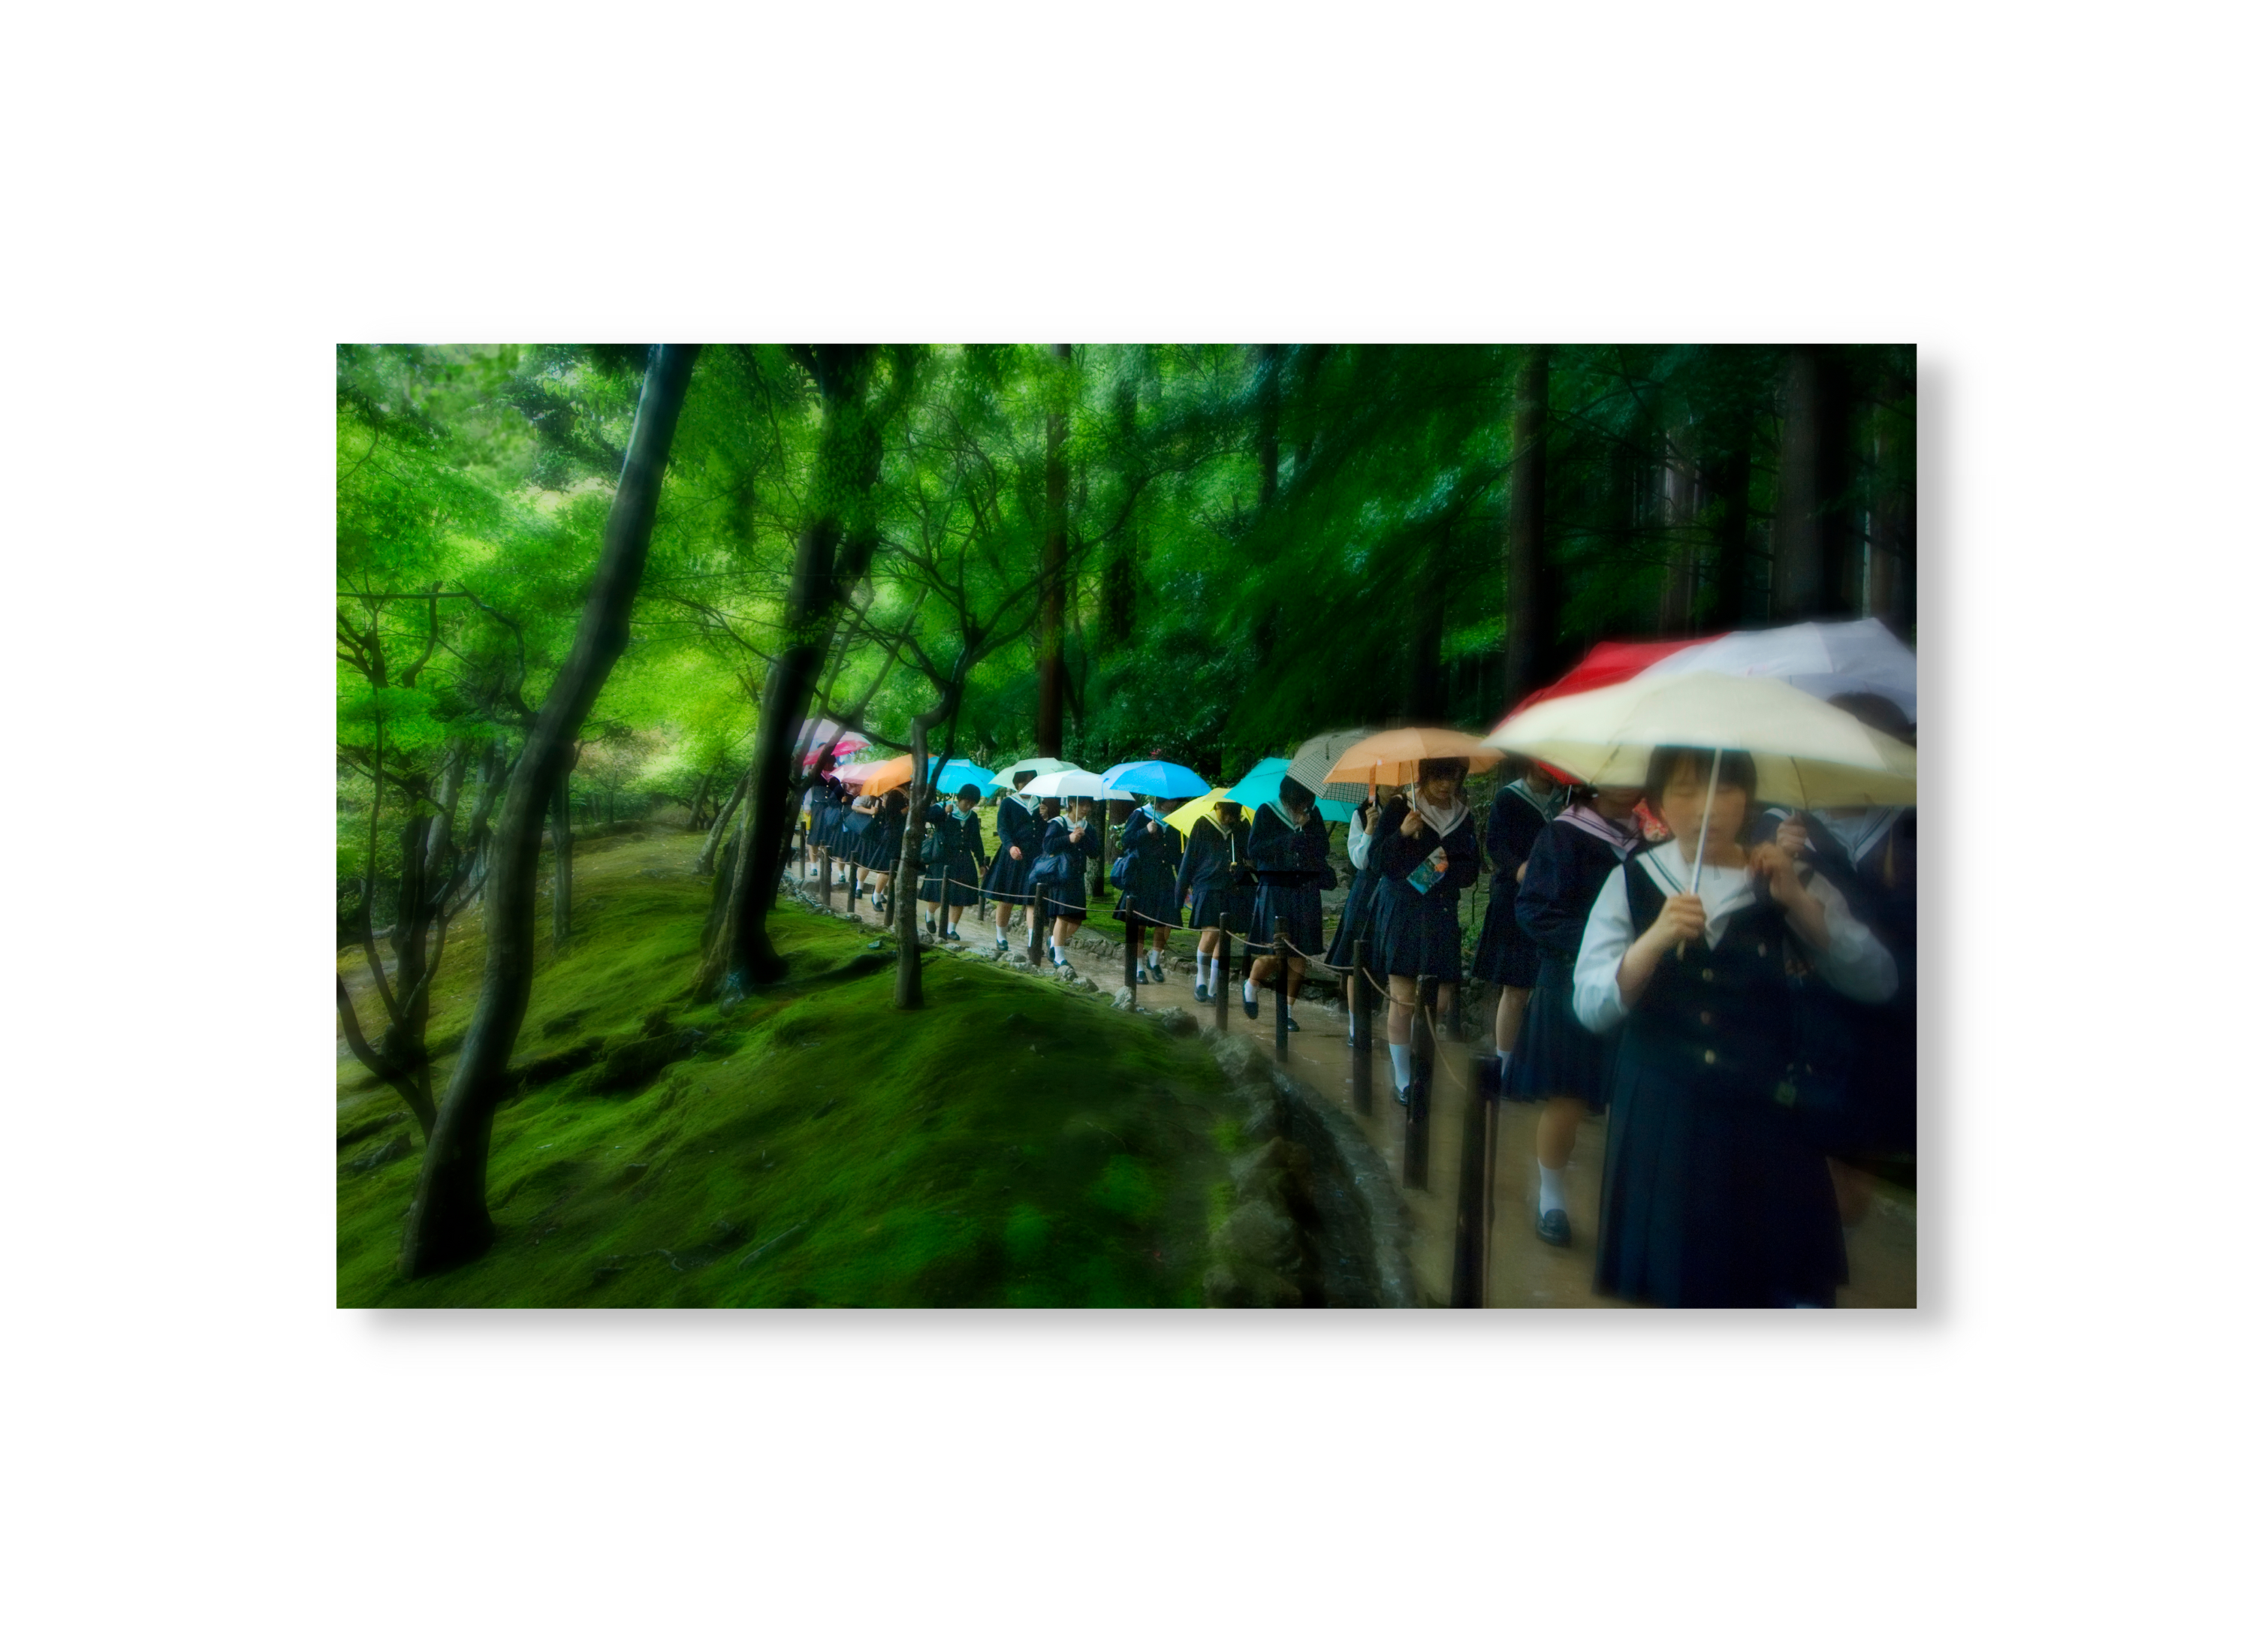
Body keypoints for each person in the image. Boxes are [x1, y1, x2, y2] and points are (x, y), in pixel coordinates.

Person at [1577, 747, 1898, 1310]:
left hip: (1764, 1114)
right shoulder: (1631, 881)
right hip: (1664, 1113)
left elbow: (1875, 977)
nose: (1706, 808)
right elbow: (1591, 1003)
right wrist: (1652, 940)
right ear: (1657, 802)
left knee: (1764, 1278)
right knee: (1678, 1281)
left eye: (1724, 789)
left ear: (1748, 797)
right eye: (1685, 790)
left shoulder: (1789, 878)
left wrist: (1798, 902)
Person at [1751, 692, 1917, 1227]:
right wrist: (1784, 862)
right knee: (1791, 1158)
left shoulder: (1911, 824)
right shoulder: (1781, 825)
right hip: (1801, 1020)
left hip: (1882, 1025)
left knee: (1854, 1165)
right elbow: (1754, 918)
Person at [1505, 780, 1645, 1247]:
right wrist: (1603, 945)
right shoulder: (1562, 836)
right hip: (1570, 981)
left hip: (1638, 989)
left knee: (1632, 1103)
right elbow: (1534, 911)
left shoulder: (1653, 844)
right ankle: (1552, 1199)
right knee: (1568, 1094)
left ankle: (1632, 1210)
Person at [1370, 758, 1484, 1109]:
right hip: (1404, 910)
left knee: (1441, 1000)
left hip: (1441, 912)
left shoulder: (1463, 816)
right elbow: (1378, 862)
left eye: (1453, 777)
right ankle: (1403, 1076)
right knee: (1404, 999)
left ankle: (1420, 1061)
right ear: (1426, 775)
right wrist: (1403, 833)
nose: (1446, 785)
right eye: (1439, 777)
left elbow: (1470, 870)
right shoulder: (1400, 807)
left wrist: (1434, 867)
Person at [1468, 759, 1565, 1088]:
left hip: (1555, 903)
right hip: (1514, 899)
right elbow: (1495, 844)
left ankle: (1541, 1068)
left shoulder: (1566, 801)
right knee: (1516, 986)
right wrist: (1518, 869)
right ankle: (1505, 1064)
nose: (1548, 768)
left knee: (1550, 987)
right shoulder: (1509, 798)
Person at [1242, 775, 1337, 1031]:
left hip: (1305, 890)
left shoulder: (1312, 815)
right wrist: (1288, 839)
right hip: (1275, 889)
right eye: (1298, 804)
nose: (1301, 809)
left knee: (1299, 955)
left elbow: (1323, 850)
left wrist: (1306, 831)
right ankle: (1252, 984)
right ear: (1286, 797)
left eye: (1306, 803)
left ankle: (1287, 1011)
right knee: (1275, 952)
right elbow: (1254, 849)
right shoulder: (1267, 811)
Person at [1325, 783, 1404, 1048]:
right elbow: (1359, 860)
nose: (1396, 788)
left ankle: (1374, 1022)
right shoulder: (1362, 815)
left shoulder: (1408, 811)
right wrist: (1370, 829)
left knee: (1383, 960)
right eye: (1390, 784)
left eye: (1400, 783)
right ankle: (1354, 1027)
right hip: (1366, 890)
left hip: (1393, 891)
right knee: (1355, 960)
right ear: (1377, 786)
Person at [1176, 800, 1251, 1003]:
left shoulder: (1243, 826)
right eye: (1225, 813)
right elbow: (1189, 859)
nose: (1228, 818)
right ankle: (1201, 979)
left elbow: (1251, 854)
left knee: (1225, 939)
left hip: (1233, 887)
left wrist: (1244, 865)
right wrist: (1179, 893)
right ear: (1217, 808)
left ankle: (1213, 988)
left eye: (1232, 814)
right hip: (1207, 886)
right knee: (1211, 933)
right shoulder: (1203, 824)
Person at [1112, 796, 1187, 983]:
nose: (1176, 804)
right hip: (1141, 876)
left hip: (1164, 877)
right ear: (1162, 799)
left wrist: (1184, 882)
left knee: (1166, 921)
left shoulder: (1176, 819)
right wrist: (1145, 831)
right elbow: (1126, 840)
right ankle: (1137, 967)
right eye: (1174, 800)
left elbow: (1178, 854)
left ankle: (1155, 960)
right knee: (1139, 923)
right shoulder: (1140, 814)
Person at [982, 769, 1045, 960]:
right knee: (1007, 898)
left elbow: (1042, 832)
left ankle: (1032, 941)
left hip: (1033, 858)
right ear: (1017, 783)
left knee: (1032, 899)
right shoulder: (1009, 803)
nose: (1028, 785)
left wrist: (1044, 818)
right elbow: (1002, 828)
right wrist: (1010, 847)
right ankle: (1001, 937)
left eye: (1032, 782)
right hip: (1012, 856)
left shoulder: (1039, 804)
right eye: (1025, 782)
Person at [916, 783, 988, 942]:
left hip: (963, 860)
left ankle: (952, 929)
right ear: (960, 798)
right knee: (938, 894)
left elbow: (976, 840)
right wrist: (943, 812)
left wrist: (981, 862)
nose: (968, 805)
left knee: (960, 896)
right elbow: (923, 816)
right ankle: (930, 914)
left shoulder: (973, 817)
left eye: (972, 803)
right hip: (943, 858)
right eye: (966, 802)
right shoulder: (944, 808)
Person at [1030, 796, 1095, 969]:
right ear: (1072, 803)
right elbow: (1048, 845)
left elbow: (1095, 852)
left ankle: (1053, 941)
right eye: (1082, 804)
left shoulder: (1087, 827)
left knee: (1077, 920)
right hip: (1060, 876)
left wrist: (1083, 837)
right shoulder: (1058, 823)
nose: (1086, 808)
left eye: (1089, 805)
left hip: (1077, 876)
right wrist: (1069, 839)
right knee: (1063, 915)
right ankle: (1059, 957)